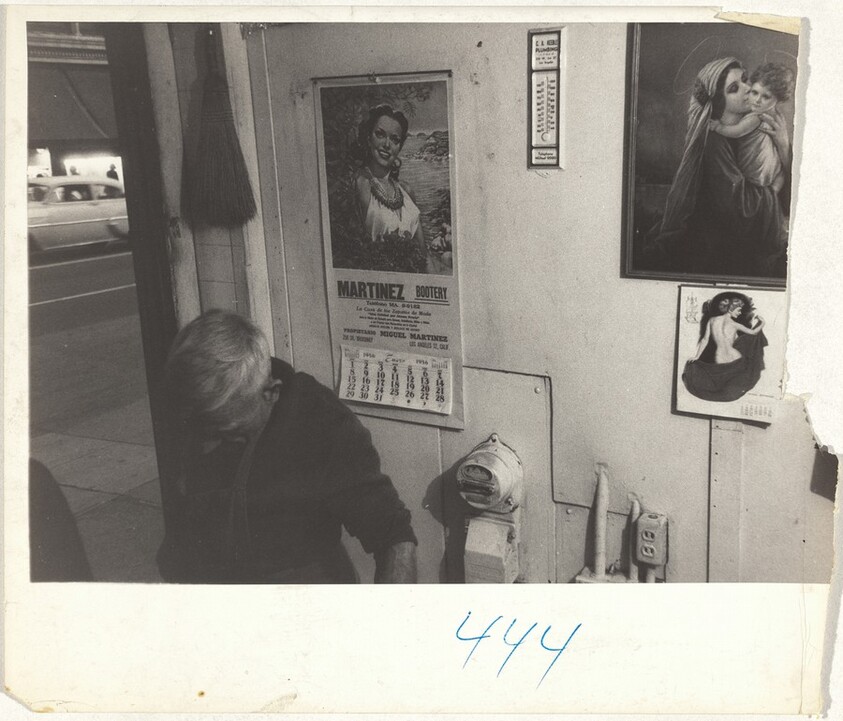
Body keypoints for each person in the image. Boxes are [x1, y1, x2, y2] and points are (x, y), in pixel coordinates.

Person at [157, 309, 418, 584]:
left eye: (230, 431)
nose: (212, 441)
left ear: (271, 392)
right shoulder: (198, 414)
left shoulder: (322, 423)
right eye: (206, 428)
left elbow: (394, 539)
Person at [647, 57, 792, 278]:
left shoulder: (760, 127)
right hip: (723, 253)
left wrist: (783, 146)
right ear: (718, 101)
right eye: (734, 88)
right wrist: (773, 188)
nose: (748, 88)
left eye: (745, 79)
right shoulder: (714, 141)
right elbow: (739, 206)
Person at [708, 63, 795, 192]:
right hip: (769, 173)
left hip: (758, 171)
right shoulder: (713, 143)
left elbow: (738, 131)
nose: (757, 100)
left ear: (778, 99)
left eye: (766, 97)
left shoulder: (758, 117)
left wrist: (719, 127)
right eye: (754, 92)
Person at [354, 105, 426, 254]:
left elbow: (424, 255)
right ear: (368, 138)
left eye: (394, 139)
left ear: (399, 147)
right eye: (380, 134)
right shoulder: (361, 184)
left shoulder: (406, 191)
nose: (387, 145)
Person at [682, 292, 768, 402]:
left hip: (720, 356)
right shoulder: (735, 324)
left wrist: (697, 356)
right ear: (731, 309)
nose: (740, 313)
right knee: (738, 380)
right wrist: (762, 322)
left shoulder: (712, 320)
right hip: (735, 356)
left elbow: (705, 340)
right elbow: (754, 333)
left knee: (721, 384)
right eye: (738, 310)